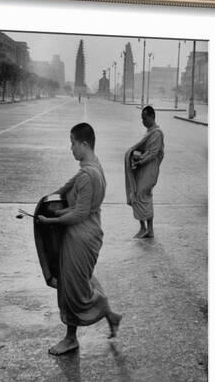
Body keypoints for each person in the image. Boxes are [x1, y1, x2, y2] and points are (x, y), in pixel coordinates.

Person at [37, 122, 122, 355]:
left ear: (84, 144)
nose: (70, 148)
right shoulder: (93, 166)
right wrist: (49, 202)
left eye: (73, 143)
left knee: (73, 290)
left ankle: (72, 338)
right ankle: (110, 316)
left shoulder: (88, 175)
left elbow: (79, 213)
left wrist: (50, 221)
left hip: (81, 237)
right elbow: (69, 188)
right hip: (87, 233)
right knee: (75, 282)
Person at [124, 106, 164, 238]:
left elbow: (153, 153)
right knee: (138, 194)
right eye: (141, 119)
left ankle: (146, 229)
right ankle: (146, 228)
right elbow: (146, 150)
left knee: (142, 195)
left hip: (150, 169)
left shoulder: (157, 133)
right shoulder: (149, 132)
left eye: (145, 118)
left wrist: (140, 160)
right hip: (143, 167)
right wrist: (135, 156)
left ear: (152, 117)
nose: (143, 121)